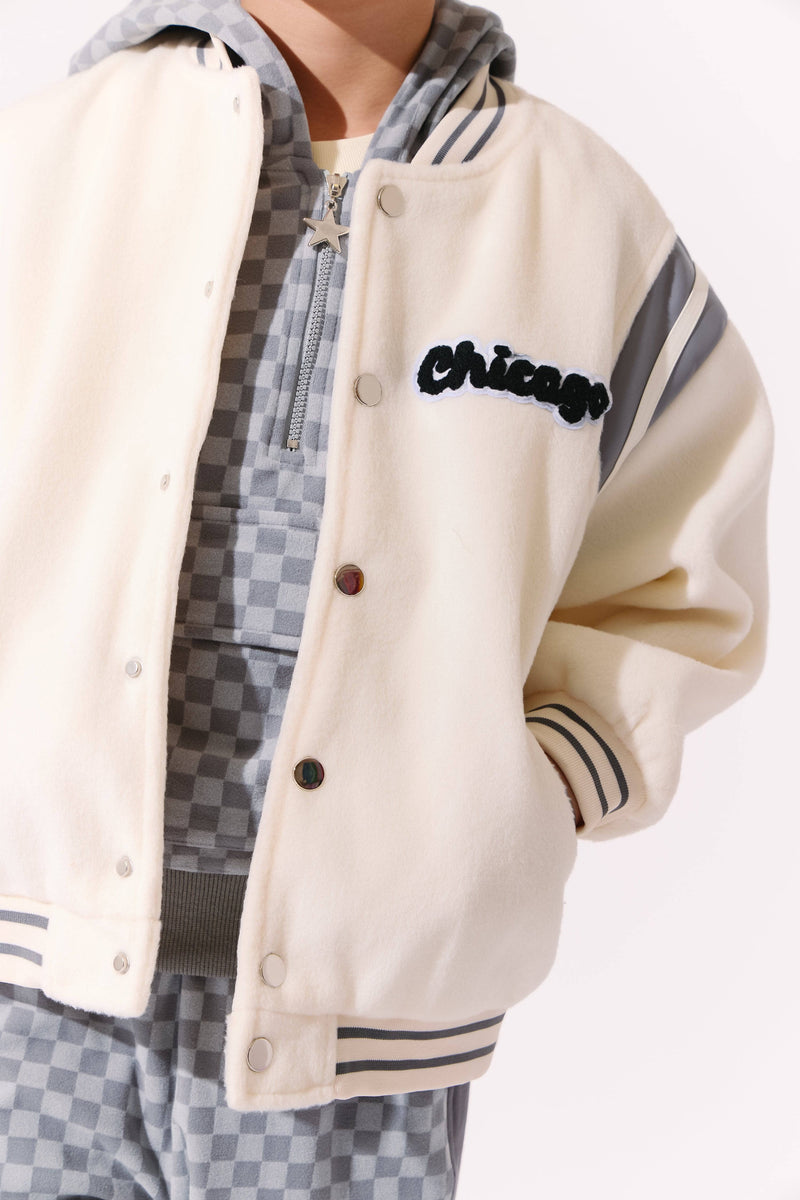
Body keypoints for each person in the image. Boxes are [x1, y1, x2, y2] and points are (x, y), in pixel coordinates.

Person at [0, 0, 772, 1195]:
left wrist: (521, 791)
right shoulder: (52, 157)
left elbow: (679, 577)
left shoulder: (579, 217)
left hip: (363, 1027)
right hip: (31, 968)